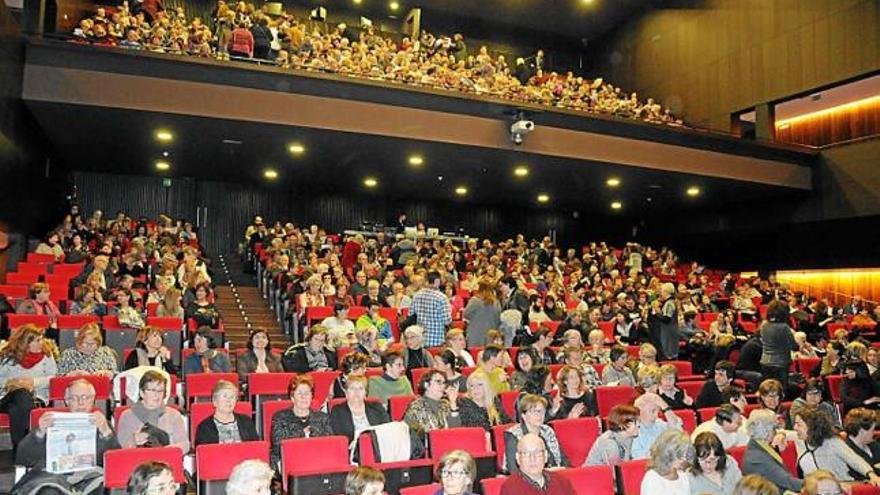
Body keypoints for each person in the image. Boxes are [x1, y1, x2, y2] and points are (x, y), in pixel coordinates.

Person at [14, 379, 119, 494]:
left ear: (93, 400)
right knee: (49, 491)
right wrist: (39, 432)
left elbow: (116, 461)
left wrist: (106, 432)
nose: (80, 402)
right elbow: (22, 458)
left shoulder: (103, 424)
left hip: (89, 477)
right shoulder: (49, 423)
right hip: (51, 477)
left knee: (106, 488)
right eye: (74, 398)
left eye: (85, 397)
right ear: (67, 401)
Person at [0, 324, 58, 447]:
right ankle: (24, 450)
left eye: (41, 339)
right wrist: (11, 383)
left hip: (36, 399)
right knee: (21, 394)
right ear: (25, 343)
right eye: (37, 340)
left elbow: (53, 378)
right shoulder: (7, 355)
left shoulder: (47, 355)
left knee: (17, 408)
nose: (41, 343)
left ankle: (20, 450)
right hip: (7, 396)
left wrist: (33, 382)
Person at [792, 405, 880, 484]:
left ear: (811, 426)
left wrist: (871, 474)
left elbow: (854, 459)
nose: (795, 428)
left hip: (840, 486)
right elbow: (783, 433)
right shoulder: (799, 439)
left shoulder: (832, 442)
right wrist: (781, 435)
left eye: (798, 424)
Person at [117, 370, 189, 452]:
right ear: (142, 393)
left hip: (166, 461)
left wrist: (165, 451)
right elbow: (120, 449)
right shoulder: (127, 416)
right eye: (152, 390)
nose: (156, 395)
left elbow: (185, 444)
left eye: (160, 391)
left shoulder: (174, 415)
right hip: (137, 461)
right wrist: (133, 440)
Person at [270, 375, 332, 469]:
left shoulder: (322, 418)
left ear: (312, 397)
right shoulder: (280, 418)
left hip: (317, 461)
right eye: (300, 393)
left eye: (307, 393)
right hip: (289, 461)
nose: (304, 397)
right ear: (292, 397)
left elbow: (329, 444)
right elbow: (278, 445)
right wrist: (302, 434)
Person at [504, 393, 568, 473]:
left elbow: (563, 461)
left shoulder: (548, 431)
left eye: (542, 411)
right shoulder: (513, 434)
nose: (539, 415)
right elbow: (513, 469)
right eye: (534, 412)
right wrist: (545, 473)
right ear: (523, 415)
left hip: (553, 476)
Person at [742, 409, 803, 492]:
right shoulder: (757, 459)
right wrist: (814, 484)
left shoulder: (759, 445)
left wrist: (782, 434)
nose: (776, 431)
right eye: (774, 428)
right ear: (766, 431)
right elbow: (787, 481)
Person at [499, 433, 576, 495]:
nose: (532, 458)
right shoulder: (510, 489)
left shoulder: (561, 481)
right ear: (518, 458)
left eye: (537, 453)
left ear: (545, 456)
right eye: (526, 453)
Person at [329, 374, 389, 444]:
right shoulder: (337, 411)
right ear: (346, 393)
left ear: (365, 393)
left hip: (376, 447)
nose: (356, 392)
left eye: (360, 388)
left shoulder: (377, 408)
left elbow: (386, 431)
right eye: (352, 388)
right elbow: (339, 438)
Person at [194, 380, 259, 445]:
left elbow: (256, 448)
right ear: (214, 401)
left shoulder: (246, 421)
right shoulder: (204, 427)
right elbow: (204, 453)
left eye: (232, 397)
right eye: (225, 396)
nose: (229, 400)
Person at [403, 370, 462, 440]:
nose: (443, 386)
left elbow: (455, 430)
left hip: (447, 442)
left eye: (444, 383)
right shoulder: (416, 406)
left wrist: (453, 402)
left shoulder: (445, 404)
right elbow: (410, 434)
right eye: (438, 382)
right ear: (426, 385)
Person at [640, 429, 694, 495]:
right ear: (668, 454)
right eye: (680, 454)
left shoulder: (683, 475)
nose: (684, 459)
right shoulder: (652, 478)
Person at [632, 392, 684, 459]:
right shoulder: (634, 431)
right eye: (652, 411)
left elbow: (677, 431)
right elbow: (639, 457)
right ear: (640, 412)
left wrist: (664, 406)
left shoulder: (659, 423)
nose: (656, 415)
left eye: (658, 411)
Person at [690, 431, 743, 495]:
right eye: (702, 460)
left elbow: (742, 488)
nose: (708, 465)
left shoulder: (729, 463)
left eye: (712, 459)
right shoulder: (690, 478)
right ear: (696, 457)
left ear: (720, 456)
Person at [760, 301, 797, 389]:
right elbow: (794, 346)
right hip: (781, 363)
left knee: (767, 390)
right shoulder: (784, 327)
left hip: (765, 362)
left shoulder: (764, 325)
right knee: (780, 391)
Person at [411, 271, 452, 347]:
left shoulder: (416, 295)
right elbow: (447, 321)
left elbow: (411, 315)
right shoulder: (442, 297)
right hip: (437, 339)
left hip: (420, 338)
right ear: (437, 281)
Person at [462, 278, 501, 347]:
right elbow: (498, 319)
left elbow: (465, 314)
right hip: (491, 336)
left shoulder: (475, 300)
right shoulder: (496, 302)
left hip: (475, 335)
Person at [842, 408, 880, 475]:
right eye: (872, 430)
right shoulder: (846, 450)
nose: (874, 433)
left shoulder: (874, 445)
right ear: (862, 431)